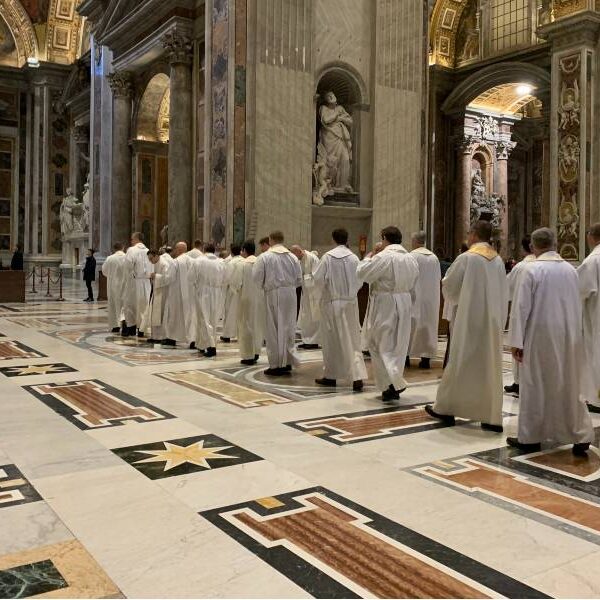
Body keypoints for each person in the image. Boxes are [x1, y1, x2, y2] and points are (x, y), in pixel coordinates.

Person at [509, 228, 594, 455]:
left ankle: (530, 436)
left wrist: (516, 341)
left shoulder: (531, 270)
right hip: (568, 333)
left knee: (535, 383)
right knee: (569, 382)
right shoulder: (570, 269)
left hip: (539, 335)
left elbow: (521, 308)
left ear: (534, 246)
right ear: (554, 244)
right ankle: (580, 433)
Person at [426, 221, 508, 431]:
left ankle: (447, 408)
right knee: (489, 366)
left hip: (469, 318)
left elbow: (450, 285)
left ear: (473, 235)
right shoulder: (497, 260)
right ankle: (490, 416)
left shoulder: (467, 258)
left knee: (461, 360)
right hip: (492, 321)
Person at [357, 226, 419, 401]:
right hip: (404, 300)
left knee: (380, 343)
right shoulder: (410, 258)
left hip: (386, 302)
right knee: (398, 345)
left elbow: (362, 273)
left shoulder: (385, 257)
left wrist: (370, 256)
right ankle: (391, 384)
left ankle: (393, 383)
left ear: (384, 238)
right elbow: (414, 279)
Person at [314, 228, 367, 391]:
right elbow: (360, 280)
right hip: (350, 303)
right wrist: (350, 292)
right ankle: (357, 376)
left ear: (333, 239)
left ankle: (331, 376)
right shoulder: (354, 258)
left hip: (333, 303)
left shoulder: (328, 257)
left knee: (332, 341)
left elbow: (318, 279)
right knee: (352, 339)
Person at [253, 231, 302, 376]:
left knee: (273, 328)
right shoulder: (293, 257)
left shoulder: (265, 257)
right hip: (290, 294)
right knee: (288, 327)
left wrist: (266, 287)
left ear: (270, 240)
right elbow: (299, 279)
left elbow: (256, 278)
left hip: (273, 292)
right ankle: (287, 362)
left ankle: (275, 364)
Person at [504, 235, 535, 395]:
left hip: (522, 312)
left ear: (524, 249)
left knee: (520, 345)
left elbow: (507, 288)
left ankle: (518, 382)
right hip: (540, 317)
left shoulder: (521, 267)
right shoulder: (547, 264)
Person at [407, 231, 441, 369]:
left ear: (415, 241)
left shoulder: (410, 256)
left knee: (410, 327)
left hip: (414, 297)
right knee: (428, 327)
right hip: (431, 299)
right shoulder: (434, 257)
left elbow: (407, 277)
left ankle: (405, 357)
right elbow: (438, 278)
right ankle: (426, 359)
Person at [578, 223, 600, 413]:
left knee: (596, 353)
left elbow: (581, 290)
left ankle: (597, 399)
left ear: (592, 237)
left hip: (597, 316)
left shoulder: (593, 260)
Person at [231, 240, 263, 365]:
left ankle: (248, 355)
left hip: (246, 298)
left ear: (244, 250)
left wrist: (235, 291)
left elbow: (235, 283)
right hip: (260, 299)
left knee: (246, 325)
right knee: (258, 325)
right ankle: (256, 352)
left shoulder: (242, 264)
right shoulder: (261, 262)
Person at [160, 242, 196, 348]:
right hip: (190, 293)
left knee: (174, 315)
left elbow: (168, 278)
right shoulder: (192, 261)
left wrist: (159, 278)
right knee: (190, 316)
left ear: (178, 250)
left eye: (176, 248)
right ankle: (192, 339)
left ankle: (172, 338)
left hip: (176, 293)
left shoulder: (175, 262)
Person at [192, 242, 225, 357]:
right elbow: (225, 278)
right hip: (217, 292)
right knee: (213, 319)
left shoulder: (199, 261)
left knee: (204, 319)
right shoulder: (221, 262)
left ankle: (211, 347)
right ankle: (202, 344)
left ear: (204, 249)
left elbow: (191, 277)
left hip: (203, 291)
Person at [291, 245, 321, 350]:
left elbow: (317, 275)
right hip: (306, 293)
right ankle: (307, 340)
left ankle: (314, 341)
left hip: (314, 293)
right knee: (305, 317)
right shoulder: (301, 259)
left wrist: (304, 278)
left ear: (299, 252)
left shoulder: (312, 258)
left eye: (295, 255)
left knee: (313, 317)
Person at [122, 232, 152, 337]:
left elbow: (127, 265)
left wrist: (127, 277)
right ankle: (142, 329)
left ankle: (131, 328)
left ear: (136, 239)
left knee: (130, 305)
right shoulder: (148, 251)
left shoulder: (131, 250)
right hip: (147, 282)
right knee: (144, 306)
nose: (131, 241)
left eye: (132, 239)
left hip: (134, 282)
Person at [141, 249, 172, 343]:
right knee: (155, 314)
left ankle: (161, 336)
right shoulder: (156, 263)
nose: (150, 261)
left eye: (151, 258)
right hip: (157, 291)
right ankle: (155, 336)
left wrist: (156, 276)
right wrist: (154, 276)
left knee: (161, 315)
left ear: (156, 256)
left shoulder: (164, 264)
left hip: (163, 292)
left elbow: (168, 278)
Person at [221, 244, 244, 342]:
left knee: (229, 311)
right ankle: (240, 334)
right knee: (241, 313)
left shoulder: (230, 262)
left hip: (232, 290)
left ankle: (227, 334)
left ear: (231, 251)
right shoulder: (244, 261)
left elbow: (226, 278)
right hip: (243, 290)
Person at [101, 243, 127, 332]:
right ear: (123, 247)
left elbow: (104, 271)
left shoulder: (110, 258)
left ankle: (115, 326)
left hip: (113, 285)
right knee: (124, 304)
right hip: (125, 284)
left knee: (113, 305)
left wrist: (111, 275)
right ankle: (125, 322)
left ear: (114, 249)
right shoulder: (126, 257)